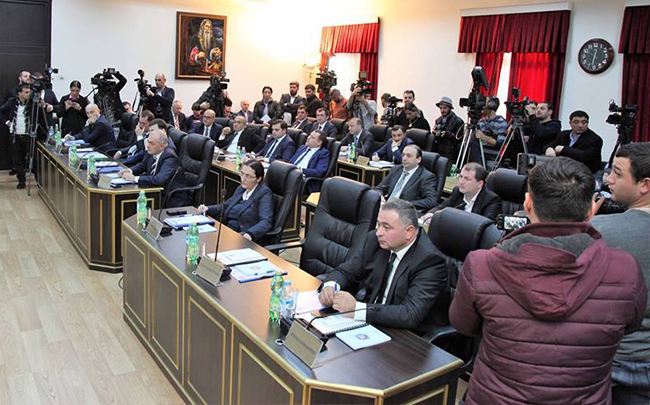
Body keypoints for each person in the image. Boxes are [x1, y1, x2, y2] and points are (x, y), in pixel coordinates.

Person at [449, 157, 647, 405]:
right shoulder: (626, 269)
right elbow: (629, 324)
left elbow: (464, 325)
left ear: (527, 204)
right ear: (590, 211)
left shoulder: (481, 265)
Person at [318, 199, 447, 335]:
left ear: (409, 232)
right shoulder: (374, 241)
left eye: (386, 227)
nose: (378, 232)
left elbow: (410, 314)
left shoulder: (430, 261)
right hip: (371, 322)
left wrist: (357, 309)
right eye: (378, 224)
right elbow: (346, 272)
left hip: (407, 335)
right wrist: (331, 286)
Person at [591, 143, 650, 403]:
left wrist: (584, 225)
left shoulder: (600, 230)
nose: (608, 180)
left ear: (645, 185)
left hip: (611, 362)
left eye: (617, 173)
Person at [198, 160, 273, 242]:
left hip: (242, 236)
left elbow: (266, 222)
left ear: (258, 179)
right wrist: (207, 209)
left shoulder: (264, 194)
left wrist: (250, 234)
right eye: (242, 174)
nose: (243, 179)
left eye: (248, 176)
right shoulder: (242, 189)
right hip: (227, 231)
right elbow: (225, 206)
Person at [119, 129, 188, 207]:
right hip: (155, 193)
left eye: (151, 143)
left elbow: (159, 180)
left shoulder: (170, 157)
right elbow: (143, 165)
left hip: (170, 198)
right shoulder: (153, 151)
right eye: (148, 141)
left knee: (130, 203)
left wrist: (135, 178)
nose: (148, 145)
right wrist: (129, 171)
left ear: (162, 146)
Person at [0, 84, 46, 189]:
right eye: (26, 92)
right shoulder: (12, 102)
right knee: (17, 159)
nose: (28, 94)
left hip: (29, 135)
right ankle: (21, 180)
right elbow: (1, 111)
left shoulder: (32, 103)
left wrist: (41, 104)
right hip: (16, 135)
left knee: (35, 160)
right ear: (19, 93)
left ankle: (39, 181)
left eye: (29, 92)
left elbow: (40, 115)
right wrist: (7, 122)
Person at [423, 162, 501, 223]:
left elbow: (484, 226)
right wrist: (431, 214)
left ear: (480, 184)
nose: (461, 182)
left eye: (467, 179)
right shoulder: (457, 191)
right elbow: (442, 206)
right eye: (461, 177)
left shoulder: (491, 200)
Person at [375, 144, 438, 212]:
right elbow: (379, 188)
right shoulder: (396, 169)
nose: (404, 158)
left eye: (409, 156)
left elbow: (431, 201)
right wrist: (380, 197)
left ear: (418, 159)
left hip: (403, 212)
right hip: (385, 207)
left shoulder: (426, 177)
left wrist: (404, 205)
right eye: (403, 155)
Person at [470, 96, 507, 163]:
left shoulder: (501, 122)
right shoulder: (481, 121)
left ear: (491, 105)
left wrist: (484, 137)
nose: (482, 104)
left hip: (491, 159)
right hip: (478, 155)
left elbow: (501, 144)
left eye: (485, 102)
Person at [432, 96, 464, 162]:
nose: (442, 110)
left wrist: (447, 134)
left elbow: (459, 139)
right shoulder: (438, 120)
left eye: (445, 108)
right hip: (439, 150)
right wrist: (434, 132)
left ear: (450, 108)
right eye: (441, 108)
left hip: (451, 153)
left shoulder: (458, 121)